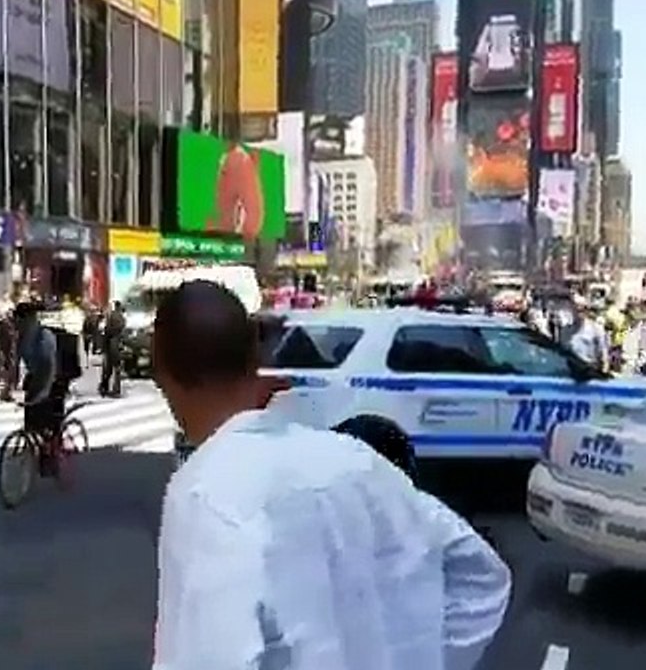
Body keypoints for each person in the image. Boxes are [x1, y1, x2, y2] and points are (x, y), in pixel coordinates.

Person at [151, 281, 511, 670]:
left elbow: (205, 658)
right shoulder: (357, 461)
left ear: (162, 371)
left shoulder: (204, 494)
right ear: (255, 357)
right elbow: (482, 579)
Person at [14, 302, 65, 474]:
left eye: (21, 319)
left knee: (48, 418)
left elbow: (49, 366)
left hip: (56, 377)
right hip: (35, 375)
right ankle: (34, 440)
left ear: (31, 319)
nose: (18, 323)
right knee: (31, 417)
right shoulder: (22, 336)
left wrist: (44, 391)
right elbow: (16, 363)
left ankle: (53, 452)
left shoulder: (45, 336)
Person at [567, 304, 609, 372]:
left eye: (582, 310)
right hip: (571, 368)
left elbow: (604, 351)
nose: (579, 313)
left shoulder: (596, 328)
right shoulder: (568, 329)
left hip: (589, 368)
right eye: (576, 310)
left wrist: (605, 369)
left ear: (586, 312)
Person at [99, 301, 126, 397]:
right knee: (117, 369)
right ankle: (116, 389)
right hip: (118, 345)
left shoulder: (112, 316)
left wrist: (103, 346)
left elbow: (107, 331)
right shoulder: (122, 318)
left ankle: (104, 387)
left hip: (111, 345)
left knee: (107, 368)